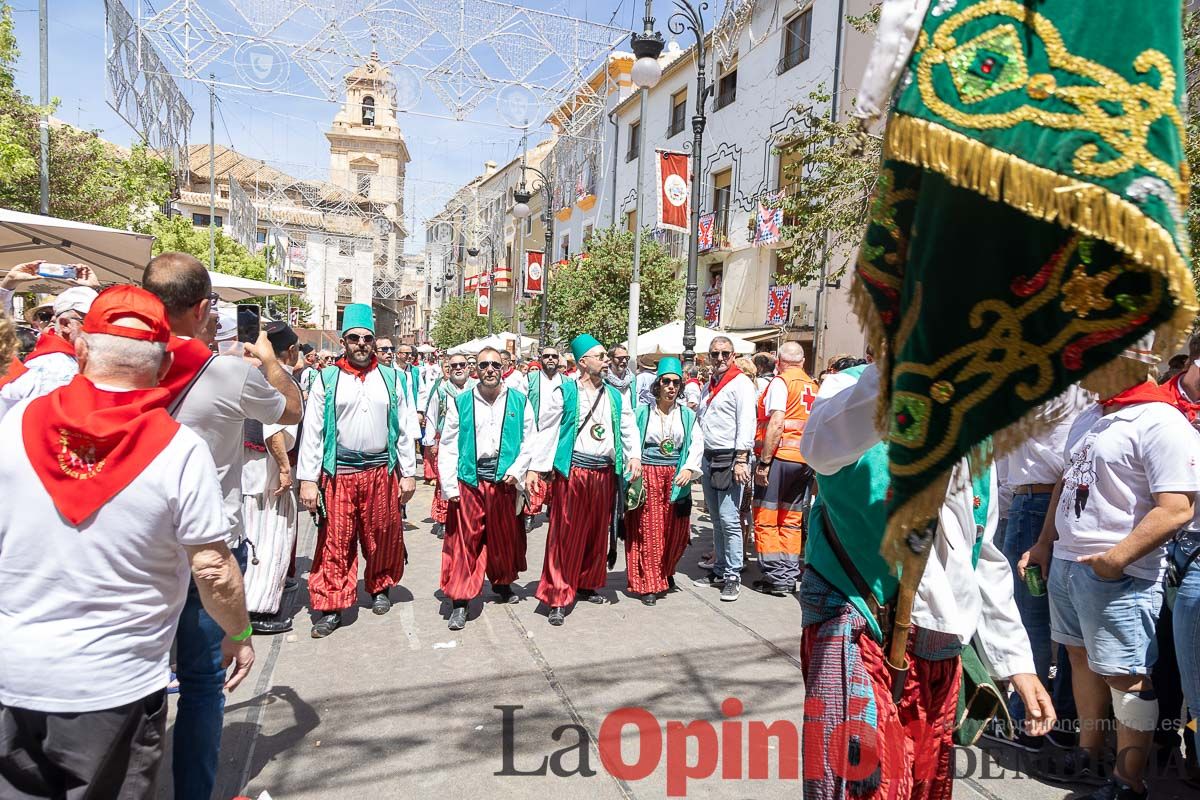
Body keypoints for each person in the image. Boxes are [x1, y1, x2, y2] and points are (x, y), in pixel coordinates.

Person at [0, 286, 255, 799]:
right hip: (112, 685)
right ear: (163, 368)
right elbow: (211, 567)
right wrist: (239, 632)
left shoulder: (14, 425)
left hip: (13, 676)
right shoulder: (179, 450)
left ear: (81, 350)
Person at [800, 361, 1052, 800]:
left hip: (939, 651)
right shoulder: (850, 387)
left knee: (925, 787)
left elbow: (981, 552)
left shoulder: (977, 426)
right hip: (861, 632)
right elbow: (819, 447)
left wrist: (1017, 662)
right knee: (867, 787)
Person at [142, 252, 301, 800]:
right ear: (204, 308)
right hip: (206, 542)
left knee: (137, 681)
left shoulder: (121, 363)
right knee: (205, 685)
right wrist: (267, 357)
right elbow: (291, 409)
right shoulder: (227, 372)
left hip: (137, 546)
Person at [1021, 349, 1200, 799]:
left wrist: (1117, 558)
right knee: (1080, 659)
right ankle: (1089, 753)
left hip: (1116, 573)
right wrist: (1045, 543)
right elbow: (1066, 482)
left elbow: (1178, 508)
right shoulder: (1095, 416)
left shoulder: (1162, 421)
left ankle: (1128, 781)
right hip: (1069, 562)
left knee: (1126, 675)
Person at [297, 304, 417, 638]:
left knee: (381, 534)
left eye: (367, 338)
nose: (361, 344)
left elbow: (405, 427)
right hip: (340, 474)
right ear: (343, 341)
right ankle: (333, 604)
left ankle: (380, 587)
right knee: (336, 541)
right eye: (354, 338)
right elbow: (313, 431)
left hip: (381, 470)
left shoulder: (393, 379)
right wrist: (308, 480)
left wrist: (408, 471)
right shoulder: (327, 378)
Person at [987, 387, 1089, 752]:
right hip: (1058, 500)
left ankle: (1026, 718)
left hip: (1035, 502)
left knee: (1031, 619)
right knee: (1063, 629)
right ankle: (1059, 719)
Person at [529, 334, 641, 625]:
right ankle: (557, 595)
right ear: (582, 362)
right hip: (574, 470)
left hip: (604, 471)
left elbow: (627, 426)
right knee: (565, 534)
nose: (606, 361)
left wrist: (634, 456)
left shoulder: (617, 395)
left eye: (606, 356)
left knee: (596, 531)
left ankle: (587, 582)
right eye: (600, 356)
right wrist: (535, 468)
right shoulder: (565, 392)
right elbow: (548, 431)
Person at [438, 347, 537, 630]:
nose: (490, 369)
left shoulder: (519, 400)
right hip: (471, 479)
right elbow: (448, 444)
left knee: (505, 537)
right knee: (466, 540)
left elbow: (531, 440)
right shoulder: (462, 402)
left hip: (505, 480)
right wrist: (449, 486)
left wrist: (518, 470)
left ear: (503, 366)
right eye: (483, 365)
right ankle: (461, 600)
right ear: (475, 369)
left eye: (495, 364)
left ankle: (502, 583)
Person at [241, 321, 303, 636]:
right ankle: (261, 608)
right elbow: (275, 429)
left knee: (254, 535)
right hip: (266, 472)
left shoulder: (254, 375)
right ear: (291, 351)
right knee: (271, 539)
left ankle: (252, 604)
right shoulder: (282, 379)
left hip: (250, 470)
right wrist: (283, 467)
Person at [625, 357, 702, 605]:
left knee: (676, 531)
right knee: (649, 530)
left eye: (675, 383)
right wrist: (634, 462)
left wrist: (690, 469)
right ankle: (649, 582)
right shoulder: (642, 412)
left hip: (677, 476)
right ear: (657, 384)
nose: (671, 386)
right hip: (648, 474)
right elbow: (631, 440)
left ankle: (665, 571)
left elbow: (696, 443)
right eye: (666, 381)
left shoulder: (687, 416)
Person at [750, 341, 817, 596]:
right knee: (791, 518)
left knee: (766, 516)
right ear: (802, 362)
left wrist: (765, 462)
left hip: (779, 458)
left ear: (779, 361)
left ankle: (775, 576)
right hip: (804, 461)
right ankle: (789, 573)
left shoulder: (781, 382)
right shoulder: (813, 385)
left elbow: (777, 421)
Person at [698, 336, 758, 601]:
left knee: (730, 518)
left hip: (731, 458)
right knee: (716, 519)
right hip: (709, 456)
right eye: (715, 354)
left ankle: (733, 574)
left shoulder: (740, 383)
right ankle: (721, 568)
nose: (719, 358)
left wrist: (742, 459)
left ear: (733, 355)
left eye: (724, 353)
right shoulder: (710, 384)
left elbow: (747, 421)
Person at [0, 286, 97, 413]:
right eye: (91, 321)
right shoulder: (57, 369)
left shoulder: (74, 359)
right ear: (65, 324)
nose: (100, 329)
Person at [423, 353, 476, 538]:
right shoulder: (442, 390)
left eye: (462, 364)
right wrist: (430, 442)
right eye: (454, 366)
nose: (459, 368)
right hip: (446, 440)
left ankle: (468, 518)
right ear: (449, 369)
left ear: (469, 367)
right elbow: (432, 414)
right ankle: (444, 520)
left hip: (471, 442)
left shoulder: (476, 388)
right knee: (444, 480)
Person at [524, 345, 565, 524]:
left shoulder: (567, 382)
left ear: (558, 360)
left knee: (556, 475)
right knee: (534, 472)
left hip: (558, 435)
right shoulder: (530, 379)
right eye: (546, 356)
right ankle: (529, 514)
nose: (550, 359)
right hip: (536, 433)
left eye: (554, 356)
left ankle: (553, 507)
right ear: (541, 359)